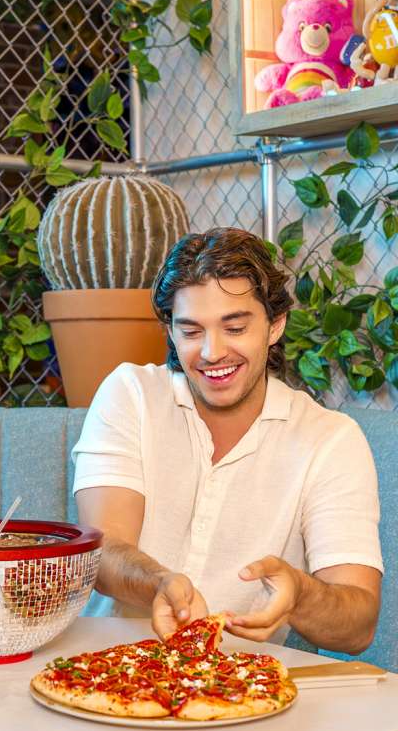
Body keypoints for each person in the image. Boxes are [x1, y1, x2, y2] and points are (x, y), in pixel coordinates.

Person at [74, 228, 382, 653]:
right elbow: (102, 548)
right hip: (109, 665)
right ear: (170, 331)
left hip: (245, 686)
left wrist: (301, 594)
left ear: (275, 325)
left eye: (234, 327)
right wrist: (158, 584)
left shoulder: (329, 439)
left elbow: (358, 625)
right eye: (191, 331)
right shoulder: (131, 394)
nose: (212, 352)